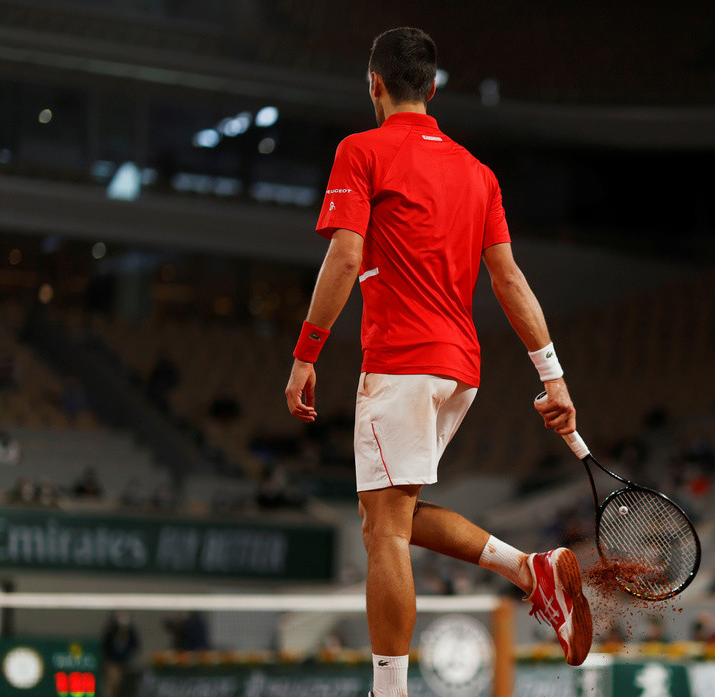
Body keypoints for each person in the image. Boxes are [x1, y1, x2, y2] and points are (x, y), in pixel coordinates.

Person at [283, 27, 591, 697]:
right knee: (386, 516)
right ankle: (527, 569)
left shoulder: (361, 150)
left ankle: (388, 692)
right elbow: (509, 280)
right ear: (433, 87)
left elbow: (343, 256)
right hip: (460, 370)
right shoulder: (478, 173)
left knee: (383, 534)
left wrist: (307, 353)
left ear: (375, 85)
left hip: (399, 362)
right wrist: (552, 374)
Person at [101, 611, 140, 697]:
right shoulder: (111, 633)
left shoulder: (131, 634)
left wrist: (128, 656)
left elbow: (135, 645)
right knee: (113, 682)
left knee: (124, 685)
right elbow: (105, 645)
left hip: (125, 663)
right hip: (113, 663)